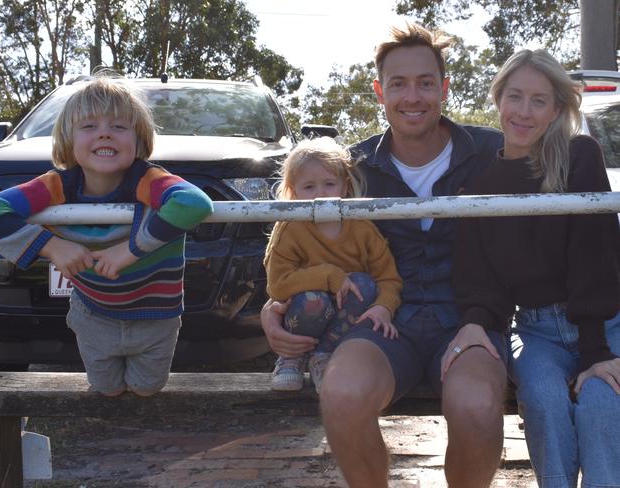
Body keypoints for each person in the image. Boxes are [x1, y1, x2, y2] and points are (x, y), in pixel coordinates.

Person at [262, 20, 507, 488]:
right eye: (398, 84)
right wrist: (273, 308)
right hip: (379, 320)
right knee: (341, 392)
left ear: (444, 88)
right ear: (379, 91)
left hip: (469, 320)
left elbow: (542, 231)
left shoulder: (491, 153)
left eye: (425, 83)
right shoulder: (351, 170)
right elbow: (296, 245)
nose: (412, 96)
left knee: (476, 404)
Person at [0, 77, 214, 396]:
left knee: (146, 387)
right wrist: (52, 246)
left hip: (155, 315)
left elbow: (194, 203)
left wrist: (129, 251)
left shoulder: (150, 180)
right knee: (107, 388)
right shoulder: (55, 185)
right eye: (88, 126)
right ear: (68, 142)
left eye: (118, 126)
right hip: (93, 312)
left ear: (139, 142)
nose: (104, 132)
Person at [451, 49, 620, 488]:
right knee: (543, 399)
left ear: (557, 109)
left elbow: (594, 254)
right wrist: (474, 322)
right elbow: (482, 275)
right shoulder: (481, 184)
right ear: (498, 99)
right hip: (535, 330)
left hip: (605, 324)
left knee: (602, 401)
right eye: (515, 96)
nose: (524, 112)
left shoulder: (580, 156)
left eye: (539, 101)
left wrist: (594, 351)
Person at [265, 137, 402, 393]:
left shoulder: (361, 227)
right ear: (293, 191)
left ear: (344, 186)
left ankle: (324, 356)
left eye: (329, 184)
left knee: (364, 284)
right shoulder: (290, 228)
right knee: (312, 299)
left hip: (344, 317)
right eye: (309, 186)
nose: (320, 193)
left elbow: (388, 278)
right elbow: (277, 285)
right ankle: (293, 356)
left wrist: (385, 306)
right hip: (304, 312)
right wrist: (330, 276)